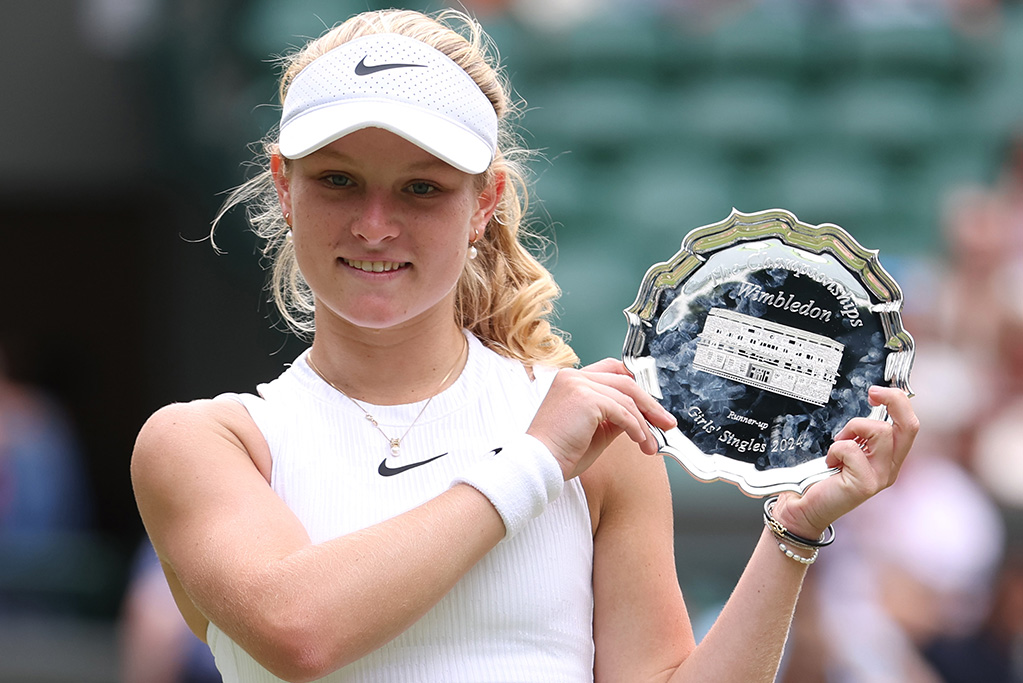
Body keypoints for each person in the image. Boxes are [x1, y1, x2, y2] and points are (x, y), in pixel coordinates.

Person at [130, 8, 919, 682]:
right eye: (338, 180)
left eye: (421, 188)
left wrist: (797, 528)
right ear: (282, 188)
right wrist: (532, 461)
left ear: (485, 204)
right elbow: (299, 628)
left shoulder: (597, 440)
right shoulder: (203, 443)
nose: (375, 225)